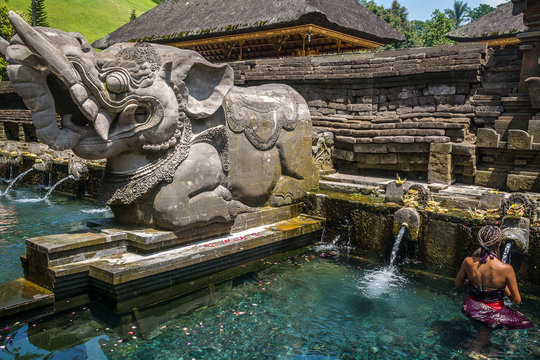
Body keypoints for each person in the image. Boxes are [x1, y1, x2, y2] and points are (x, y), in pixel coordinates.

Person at [455, 225, 533, 329]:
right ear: (499, 243)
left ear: (480, 241)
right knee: (524, 324)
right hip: (494, 312)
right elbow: (517, 300)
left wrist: (474, 284)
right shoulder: (506, 269)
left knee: (479, 331)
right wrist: (504, 288)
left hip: (472, 306)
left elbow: (458, 284)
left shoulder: (468, 261)